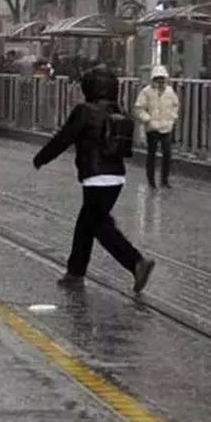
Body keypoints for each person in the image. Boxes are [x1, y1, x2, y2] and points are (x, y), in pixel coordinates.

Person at [33, 67, 156, 293]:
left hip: (95, 176)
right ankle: (75, 272)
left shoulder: (84, 111)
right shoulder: (116, 110)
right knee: (86, 224)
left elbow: (63, 138)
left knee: (99, 226)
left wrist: (42, 158)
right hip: (116, 176)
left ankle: (136, 262)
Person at [134, 65, 180, 189]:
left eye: (162, 78)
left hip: (166, 126)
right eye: (157, 78)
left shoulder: (170, 91)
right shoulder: (146, 91)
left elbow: (176, 105)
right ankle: (151, 180)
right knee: (152, 154)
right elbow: (139, 108)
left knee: (167, 153)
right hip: (152, 127)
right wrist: (147, 120)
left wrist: (172, 117)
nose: (160, 81)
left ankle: (164, 179)